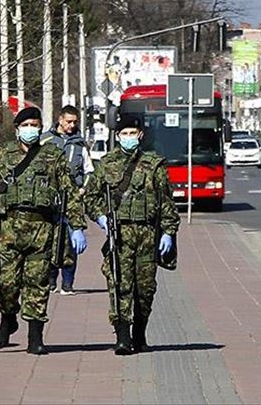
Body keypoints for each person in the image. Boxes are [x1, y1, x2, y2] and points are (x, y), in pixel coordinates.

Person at [0, 106, 88, 355]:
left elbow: (69, 192)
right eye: (26, 125)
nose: (30, 130)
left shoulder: (52, 156)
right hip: (8, 230)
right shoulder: (3, 155)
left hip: (41, 229)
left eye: (35, 125)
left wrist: (77, 226)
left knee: (37, 283)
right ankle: (8, 318)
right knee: (5, 284)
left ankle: (35, 336)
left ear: (41, 129)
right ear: (17, 129)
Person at [85, 114, 179, 355]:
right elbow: (91, 197)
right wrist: (101, 217)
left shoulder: (154, 164)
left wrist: (168, 231)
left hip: (147, 234)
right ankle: (123, 337)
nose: (129, 137)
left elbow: (166, 201)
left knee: (145, 289)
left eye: (132, 133)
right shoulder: (106, 164)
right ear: (117, 136)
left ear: (140, 135)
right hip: (120, 234)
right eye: (124, 134)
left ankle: (139, 333)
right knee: (120, 284)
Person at [41, 105, 95, 295]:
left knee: (71, 243)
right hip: (49, 200)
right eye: (68, 121)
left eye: (75, 122)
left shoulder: (79, 144)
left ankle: (68, 283)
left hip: (73, 199)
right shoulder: (45, 140)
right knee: (49, 240)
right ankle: (50, 281)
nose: (72, 125)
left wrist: (82, 189)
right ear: (60, 120)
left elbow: (89, 171)